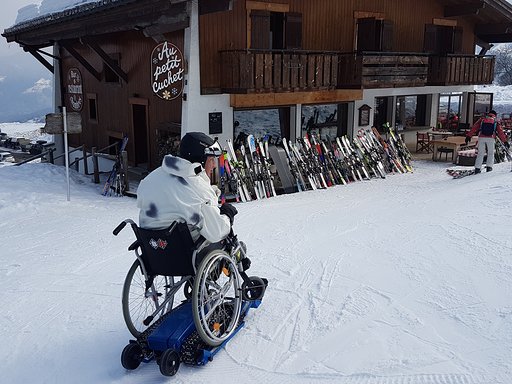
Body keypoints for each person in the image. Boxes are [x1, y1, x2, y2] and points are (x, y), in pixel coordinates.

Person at [137, 132, 238, 244]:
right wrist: (227, 215)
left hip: (153, 250)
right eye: (211, 160)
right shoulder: (198, 189)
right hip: (184, 254)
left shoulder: (151, 178)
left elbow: (175, 197)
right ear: (201, 160)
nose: (214, 165)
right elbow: (217, 232)